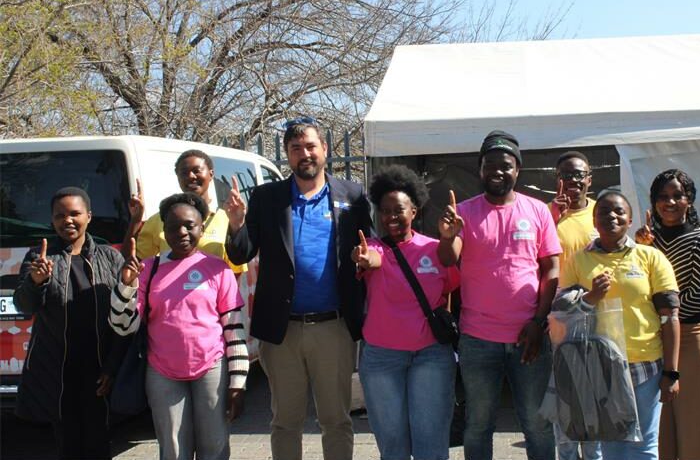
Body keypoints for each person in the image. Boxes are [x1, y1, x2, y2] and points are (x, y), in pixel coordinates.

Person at [224, 117, 372, 460]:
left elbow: (371, 246)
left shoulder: (352, 195)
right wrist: (236, 225)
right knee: (285, 422)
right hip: (283, 329)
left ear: (325, 150)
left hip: (334, 329)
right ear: (288, 156)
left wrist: (367, 258)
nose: (304, 154)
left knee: (335, 420)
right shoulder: (266, 197)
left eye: (310, 146)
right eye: (295, 149)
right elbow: (241, 253)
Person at [438, 130, 561, 460]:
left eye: (505, 165)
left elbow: (551, 270)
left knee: (537, 424)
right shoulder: (464, 212)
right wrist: (449, 236)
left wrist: (539, 322)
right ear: (480, 169)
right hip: (478, 339)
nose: (497, 171)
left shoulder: (537, 211)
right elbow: (449, 259)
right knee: (478, 425)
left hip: (529, 337)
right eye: (489, 164)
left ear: (517, 170)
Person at [110, 192, 248, 460]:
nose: (182, 232)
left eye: (190, 225)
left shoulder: (218, 269)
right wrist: (125, 286)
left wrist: (238, 382)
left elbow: (233, 329)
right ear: (163, 230)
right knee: (173, 450)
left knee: (215, 447)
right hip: (162, 371)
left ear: (201, 227)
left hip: (211, 368)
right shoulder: (148, 269)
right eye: (173, 227)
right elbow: (123, 325)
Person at [557, 189, 680, 460]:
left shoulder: (651, 258)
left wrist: (671, 372)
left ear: (630, 219)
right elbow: (561, 309)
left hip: (646, 366)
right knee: (612, 447)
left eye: (619, 211)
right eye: (603, 212)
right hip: (600, 368)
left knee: (644, 448)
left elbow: (670, 316)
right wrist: (590, 297)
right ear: (594, 220)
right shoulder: (579, 260)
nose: (611, 216)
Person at [352, 164, 458, 460]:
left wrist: (449, 238)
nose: (391, 217)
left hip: (431, 357)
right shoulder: (374, 247)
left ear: (414, 210)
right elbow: (369, 260)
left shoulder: (435, 249)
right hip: (382, 359)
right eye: (384, 211)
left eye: (398, 210)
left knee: (431, 442)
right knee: (393, 445)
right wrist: (361, 257)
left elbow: (448, 292)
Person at [13, 187, 128, 460]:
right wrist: (35, 282)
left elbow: (125, 318)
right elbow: (24, 306)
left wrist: (112, 367)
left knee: (100, 444)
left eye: (75, 213)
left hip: (101, 369)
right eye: (60, 215)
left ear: (89, 216)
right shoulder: (39, 258)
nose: (68, 220)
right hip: (57, 371)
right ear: (52, 220)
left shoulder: (110, 257)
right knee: (68, 445)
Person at [635, 169, 700, 460]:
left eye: (677, 196)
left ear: (690, 200)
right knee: (660, 434)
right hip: (656, 344)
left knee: (697, 431)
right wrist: (639, 249)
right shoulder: (648, 243)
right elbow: (637, 291)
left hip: (692, 341)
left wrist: (659, 313)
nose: (669, 202)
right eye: (662, 197)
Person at [550, 151, 600, 460]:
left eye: (579, 176)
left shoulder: (603, 212)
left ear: (589, 180)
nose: (573, 182)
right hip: (560, 318)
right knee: (564, 400)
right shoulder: (547, 214)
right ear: (557, 180)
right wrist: (555, 216)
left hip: (600, 317)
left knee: (595, 397)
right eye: (567, 176)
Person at [127, 149, 245, 273]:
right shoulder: (159, 219)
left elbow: (236, 271)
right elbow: (136, 264)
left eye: (196, 170)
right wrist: (135, 220)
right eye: (184, 172)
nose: (191, 176)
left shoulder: (227, 220)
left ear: (211, 174)